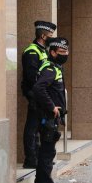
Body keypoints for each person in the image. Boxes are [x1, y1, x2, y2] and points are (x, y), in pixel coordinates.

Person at [32, 37, 69, 183]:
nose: (65, 54)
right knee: (47, 154)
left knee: (46, 152)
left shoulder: (56, 68)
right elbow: (38, 88)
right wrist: (52, 107)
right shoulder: (50, 69)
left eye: (66, 51)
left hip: (50, 117)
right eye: (61, 52)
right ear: (52, 52)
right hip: (47, 117)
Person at [21, 20, 56, 169]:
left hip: (43, 95)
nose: (52, 38)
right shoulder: (32, 51)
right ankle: (31, 159)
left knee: (42, 128)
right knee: (32, 127)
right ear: (43, 35)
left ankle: (40, 157)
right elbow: (32, 76)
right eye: (51, 35)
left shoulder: (43, 51)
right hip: (35, 95)